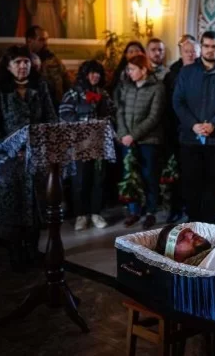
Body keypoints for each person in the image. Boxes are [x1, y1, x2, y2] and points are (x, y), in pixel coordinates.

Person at [0, 45, 57, 271]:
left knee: (35, 207)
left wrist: (41, 144)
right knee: (13, 209)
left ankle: (33, 250)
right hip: (9, 159)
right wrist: (12, 148)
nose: (23, 66)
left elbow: (51, 118)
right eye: (18, 62)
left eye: (26, 62)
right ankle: (16, 253)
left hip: (36, 156)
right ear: (8, 66)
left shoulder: (40, 86)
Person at [173, 30, 215, 224]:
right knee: (191, 183)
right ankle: (193, 223)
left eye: (214, 46)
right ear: (201, 47)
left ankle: (209, 224)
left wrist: (213, 124)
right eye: (207, 46)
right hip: (190, 138)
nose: (210, 50)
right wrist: (193, 125)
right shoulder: (187, 72)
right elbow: (178, 101)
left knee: (213, 184)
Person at [59, 59, 116, 231]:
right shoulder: (73, 94)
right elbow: (64, 115)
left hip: (99, 143)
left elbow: (112, 113)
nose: (95, 76)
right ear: (84, 75)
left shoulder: (103, 94)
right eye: (91, 73)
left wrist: (104, 122)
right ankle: (81, 215)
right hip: (79, 144)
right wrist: (84, 126)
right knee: (80, 180)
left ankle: (96, 213)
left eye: (97, 73)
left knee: (99, 178)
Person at [116, 54, 165, 229]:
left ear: (143, 70)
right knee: (131, 176)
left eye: (132, 69)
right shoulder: (127, 87)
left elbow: (154, 117)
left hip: (148, 141)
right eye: (128, 69)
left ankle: (151, 212)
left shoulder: (157, 87)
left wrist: (133, 135)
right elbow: (120, 112)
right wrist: (124, 134)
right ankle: (134, 211)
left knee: (149, 176)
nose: (129, 72)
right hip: (127, 140)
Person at [162, 35, 197, 224]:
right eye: (186, 51)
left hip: (197, 131)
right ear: (181, 52)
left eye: (193, 51)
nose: (190, 54)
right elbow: (168, 104)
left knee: (194, 174)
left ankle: (193, 210)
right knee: (177, 173)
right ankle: (176, 208)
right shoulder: (172, 74)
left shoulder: (203, 71)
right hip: (175, 130)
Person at [25, 25, 71, 108]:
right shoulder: (20, 61)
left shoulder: (54, 60)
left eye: (46, 39)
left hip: (55, 106)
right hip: (31, 107)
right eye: (41, 40)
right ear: (29, 41)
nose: (46, 43)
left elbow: (67, 82)